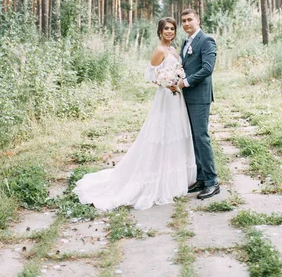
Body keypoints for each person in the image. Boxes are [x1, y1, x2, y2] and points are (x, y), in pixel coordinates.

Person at [73, 17, 196, 211]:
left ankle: (175, 178)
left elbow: (178, 70)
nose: (170, 32)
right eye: (166, 29)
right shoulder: (159, 50)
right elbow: (151, 74)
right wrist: (165, 82)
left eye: (172, 29)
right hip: (165, 96)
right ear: (160, 31)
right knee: (161, 135)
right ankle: (156, 178)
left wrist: (177, 80)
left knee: (176, 134)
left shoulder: (174, 50)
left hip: (177, 97)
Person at [175, 8, 220, 200]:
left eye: (189, 20)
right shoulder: (186, 42)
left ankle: (212, 182)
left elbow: (207, 69)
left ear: (198, 20)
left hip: (200, 96)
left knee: (201, 137)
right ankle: (201, 178)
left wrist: (186, 82)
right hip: (187, 96)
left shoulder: (206, 40)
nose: (186, 23)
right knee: (193, 138)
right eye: (183, 21)